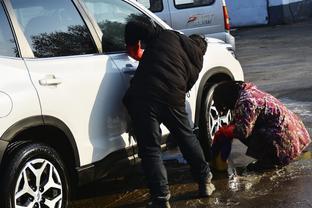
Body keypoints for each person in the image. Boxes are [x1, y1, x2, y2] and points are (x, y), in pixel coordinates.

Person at [123, 20, 214, 208]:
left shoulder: (169, 36)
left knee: (150, 149)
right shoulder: (196, 63)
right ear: (201, 50)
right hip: (172, 97)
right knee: (186, 138)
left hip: (143, 95)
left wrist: (135, 49)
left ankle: (161, 198)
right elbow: (185, 86)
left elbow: (137, 30)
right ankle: (205, 182)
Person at [211, 81, 311, 171]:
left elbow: (243, 131)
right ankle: (277, 156)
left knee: (233, 132)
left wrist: (223, 132)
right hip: (295, 134)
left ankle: (273, 160)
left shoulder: (246, 101)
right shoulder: (249, 91)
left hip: (285, 139)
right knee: (232, 129)